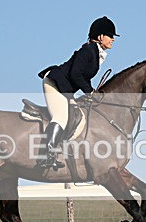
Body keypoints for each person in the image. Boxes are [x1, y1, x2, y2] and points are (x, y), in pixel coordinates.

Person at [36, 16, 119, 169]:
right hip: (54, 83)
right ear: (100, 37)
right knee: (61, 116)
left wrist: (90, 91)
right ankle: (46, 155)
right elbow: (76, 74)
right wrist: (89, 92)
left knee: (75, 115)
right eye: (110, 36)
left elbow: (81, 76)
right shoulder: (88, 50)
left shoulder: (95, 52)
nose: (113, 39)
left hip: (65, 89)